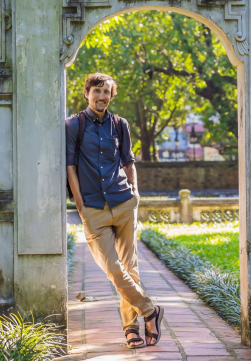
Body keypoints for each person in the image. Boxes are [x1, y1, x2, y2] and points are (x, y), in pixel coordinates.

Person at [66, 72, 164, 348]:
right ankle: (150, 310)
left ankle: (131, 329)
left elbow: (128, 162)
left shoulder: (120, 125)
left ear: (111, 95)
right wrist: (80, 205)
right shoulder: (73, 126)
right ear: (87, 93)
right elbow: (70, 167)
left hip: (123, 203)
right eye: (96, 92)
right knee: (113, 268)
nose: (101, 97)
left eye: (106, 92)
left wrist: (135, 193)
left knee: (130, 268)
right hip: (93, 208)